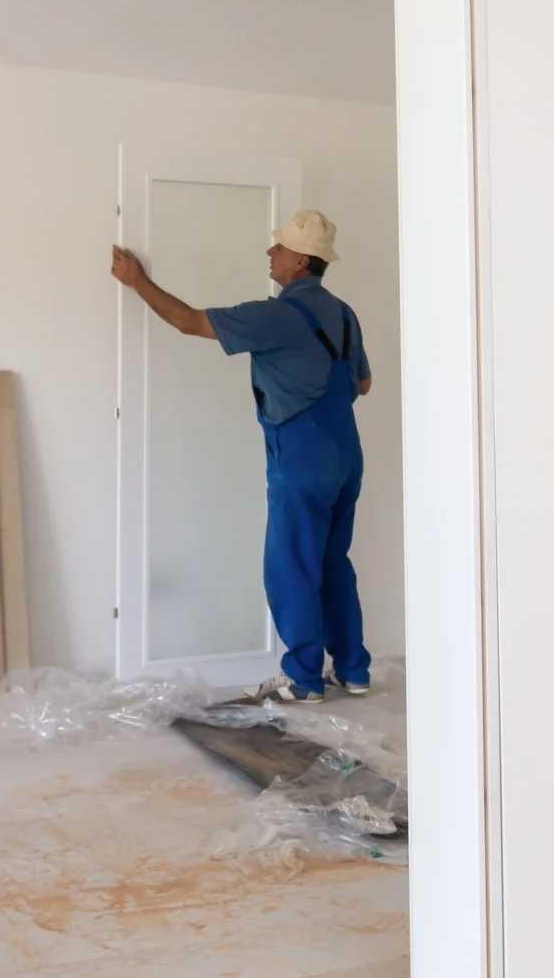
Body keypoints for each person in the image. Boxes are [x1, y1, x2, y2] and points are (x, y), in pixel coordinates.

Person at [110, 209, 372, 704]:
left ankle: (303, 678)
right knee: (333, 560)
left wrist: (138, 281)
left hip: (301, 456)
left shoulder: (274, 314)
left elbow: (188, 322)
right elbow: (363, 383)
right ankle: (353, 670)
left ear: (299, 260)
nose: (269, 254)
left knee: (291, 564)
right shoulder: (344, 313)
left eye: (277, 247)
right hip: (345, 453)